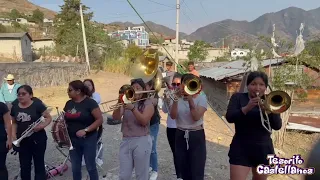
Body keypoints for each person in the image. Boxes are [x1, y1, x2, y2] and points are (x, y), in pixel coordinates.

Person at [225, 71, 282, 180]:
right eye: (253, 84)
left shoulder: (270, 101)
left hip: (264, 148)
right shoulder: (238, 98)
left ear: (265, 87)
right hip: (241, 146)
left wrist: (269, 111)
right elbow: (230, 117)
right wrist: (247, 108)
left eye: (261, 85)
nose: (257, 88)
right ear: (248, 85)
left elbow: (277, 126)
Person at [112, 78, 154, 180]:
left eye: (138, 88)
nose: (135, 90)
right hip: (126, 140)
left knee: (141, 175)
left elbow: (144, 121)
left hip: (142, 140)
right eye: (133, 88)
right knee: (124, 175)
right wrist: (119, 101)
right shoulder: (127, 102)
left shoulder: (148, 104)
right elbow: (116, 117)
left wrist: (133, 108)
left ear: (143, 90)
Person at [169, 73, 207, 180]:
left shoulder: (202, 98)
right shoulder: (176, 97)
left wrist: (190, 100)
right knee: (184, 170)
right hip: (180, 134)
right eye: (184, 84)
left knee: (197, 171)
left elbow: (196, 117)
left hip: (196, 135)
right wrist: (176, 99)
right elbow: (173, 116)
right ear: (181, 85)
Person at [10, 85, 52, 180]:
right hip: (23, 141)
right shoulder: (15, 107)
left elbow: (48, 118)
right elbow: (14, 123)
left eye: (23, 94)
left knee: (39, 165)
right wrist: (14, 137)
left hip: (38, 140)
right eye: (19, 94)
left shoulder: (37, 105)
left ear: (30, 95)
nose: (20, 96)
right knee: (24, 167)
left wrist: (41, 126)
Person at [63, 80, 103, 180]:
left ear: (78, 91)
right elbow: (64, 118)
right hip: (73, 140)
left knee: (90, 167)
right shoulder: (68, 103)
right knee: (75, 168)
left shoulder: (90, 103)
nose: (67, 91)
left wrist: (86, 130)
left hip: (88, 139)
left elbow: (100, 119)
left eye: (70, 89)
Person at [162, 72, 182, 179]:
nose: (176, 87)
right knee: (175, 153)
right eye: (174, 84)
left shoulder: (185, 95)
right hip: (170, 127)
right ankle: (179, 175)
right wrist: (166, 100)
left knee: (183, 152)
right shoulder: (169, 93)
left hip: (181, 127)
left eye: (178, 84)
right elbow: (165, 111)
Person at [83, 79, 104, 167]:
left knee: (97, 141)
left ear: (93, 87)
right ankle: (85, 159)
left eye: (89, 85)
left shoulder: (96, 95)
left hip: (96, 123)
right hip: (85, 123)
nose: (87, 87)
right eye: (85, 85)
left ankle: (99, 158)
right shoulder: (80, 97)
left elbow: (95, 102)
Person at [146, 80, 161, 180]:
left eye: (145, 85)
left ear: (151, 86)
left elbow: (154, 102)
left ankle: (155, 170)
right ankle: (149, 166)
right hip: (143, 124)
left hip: (153, 124)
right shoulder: (139, 95)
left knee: (152, 149)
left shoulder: (154, 94)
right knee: (146, 147)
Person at [0, 101, 12, 180]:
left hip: (1, 140)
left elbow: (8, 123)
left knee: (1, 166)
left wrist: (9, 139)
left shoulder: (2, 106)